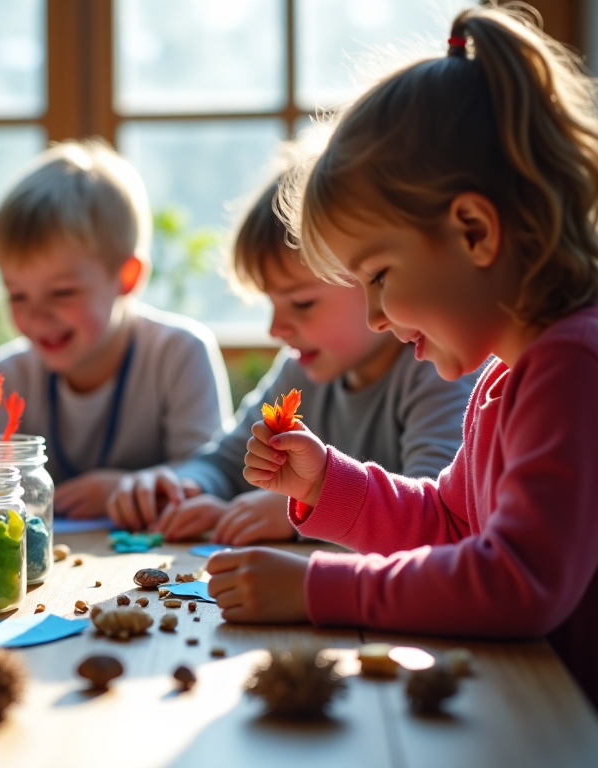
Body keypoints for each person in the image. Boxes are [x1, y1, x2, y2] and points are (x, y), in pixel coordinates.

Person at [207, 5, 598, 707]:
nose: (375, 317)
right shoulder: (508, 375)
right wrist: (326, 482)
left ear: (474, 231)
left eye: (379, 277)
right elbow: (451, 525)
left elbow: (517, 579)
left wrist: (314, 587)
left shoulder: (575, 367)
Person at [107, 176, 474, 541]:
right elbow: (227, 461)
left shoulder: (438, 369)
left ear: (372, 279)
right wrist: (184, 486)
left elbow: (435, 519)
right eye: (271, 303)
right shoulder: (299, 369)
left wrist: (303, 511)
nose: (275, 328)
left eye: (302, 303)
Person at [0, 139, 232, 519]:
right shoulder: (5, 375)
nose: (37, 316)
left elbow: (211, 474)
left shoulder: (179, 353)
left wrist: (129, 487)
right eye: (17, 295)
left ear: (127, 277)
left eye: (61, 293)